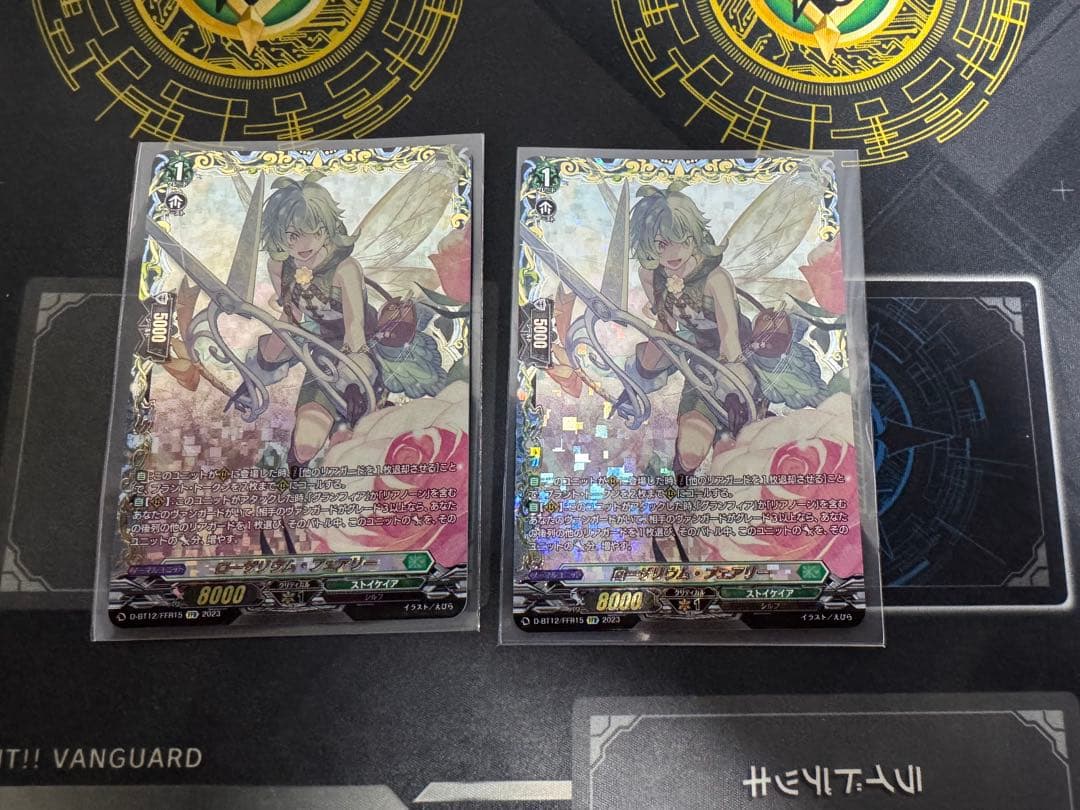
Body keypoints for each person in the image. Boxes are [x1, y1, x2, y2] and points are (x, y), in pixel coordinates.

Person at [228, 171, 380, 467]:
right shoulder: (279, 266)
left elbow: (355, 331)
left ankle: (307, 462)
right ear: (280, 235)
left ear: (327, 228)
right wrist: (259, 370)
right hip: (312, 339)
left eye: (315, 231)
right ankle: (293, 477)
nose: (304, 243)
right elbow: (291, 318)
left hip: (352, 346)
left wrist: (352, 382)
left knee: (309, 440)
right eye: (293, 235)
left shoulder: (345, 269)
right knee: (272, 355)